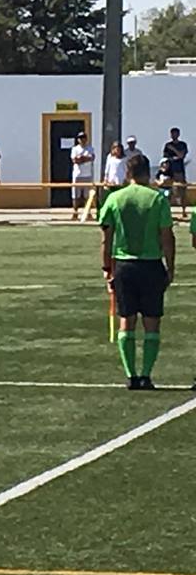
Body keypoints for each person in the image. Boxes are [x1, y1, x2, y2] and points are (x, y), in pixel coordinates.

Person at [99, 154, 175, 390]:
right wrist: (170, 267)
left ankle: (131, 375)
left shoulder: (114, 198)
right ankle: (146, 375)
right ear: (147, 173)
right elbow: (167, 236)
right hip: (151, 265)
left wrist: (106, 268)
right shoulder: (157, 199)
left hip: (124, 266)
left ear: (128, 173)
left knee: (127, 320)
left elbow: (106, 239)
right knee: (152, 322)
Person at [163, 127, 189, 217]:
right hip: (170, 171)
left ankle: (184, 211)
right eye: (172, 134)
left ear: (178, 134)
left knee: (182, 191)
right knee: (169, 192)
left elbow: (181, 155)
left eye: (175, 133)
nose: (174, 135)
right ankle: (168, 211)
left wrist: (173, 149)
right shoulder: (167, 145)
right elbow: (165, 158)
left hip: (179, 171)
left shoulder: (182, 145)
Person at [70, 132, 96, 220]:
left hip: (88, 175)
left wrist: (82, 158)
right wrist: (85, 158)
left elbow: (92, 158)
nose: (82, 139)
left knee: (87, 196)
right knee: (76, 196)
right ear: (78, 140)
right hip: (77, 175)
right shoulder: (75, 149)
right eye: (80, 138)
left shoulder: (90, 148)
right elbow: (75, 160)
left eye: (83, 137)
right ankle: (75, 213)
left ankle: (88, 213)